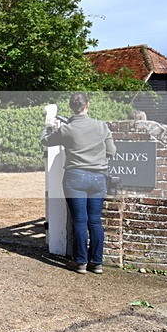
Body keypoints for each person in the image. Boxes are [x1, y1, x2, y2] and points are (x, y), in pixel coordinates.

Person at [41, 93, 117, 274]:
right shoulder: (101, 126)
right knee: (95, 221)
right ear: (87, 105)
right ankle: (97, 262)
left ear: (71, 108)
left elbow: (45, 141)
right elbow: (112, 151)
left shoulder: (67, 129)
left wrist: (48, 126)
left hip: (75, 177)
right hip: (98, 177)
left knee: (80, 220)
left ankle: (81, 261)